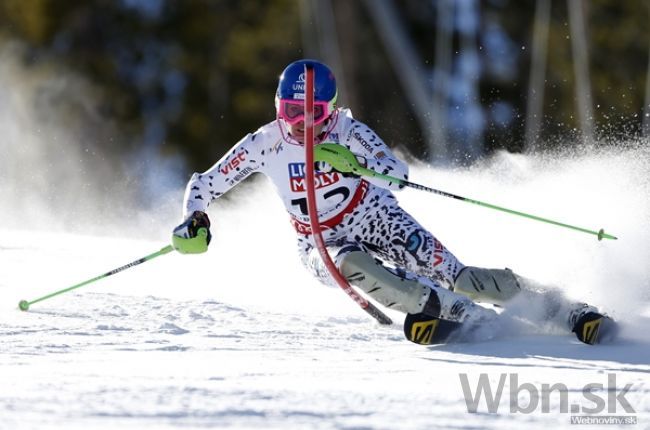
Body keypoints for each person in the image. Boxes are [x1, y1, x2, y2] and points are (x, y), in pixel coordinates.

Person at [172, 59, 616, 345]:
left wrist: (355, 165)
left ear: (332, 109)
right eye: (292, 113)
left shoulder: (348, 131)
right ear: (278, 108)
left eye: (315, 115)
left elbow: (397, 173)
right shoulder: (264, 144)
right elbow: (205, 183)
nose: (303, 126)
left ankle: (564, 310)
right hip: (320, 241)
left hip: (374, 214)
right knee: (351, 266)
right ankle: (448, 313)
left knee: (457, 275)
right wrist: (194, 217)